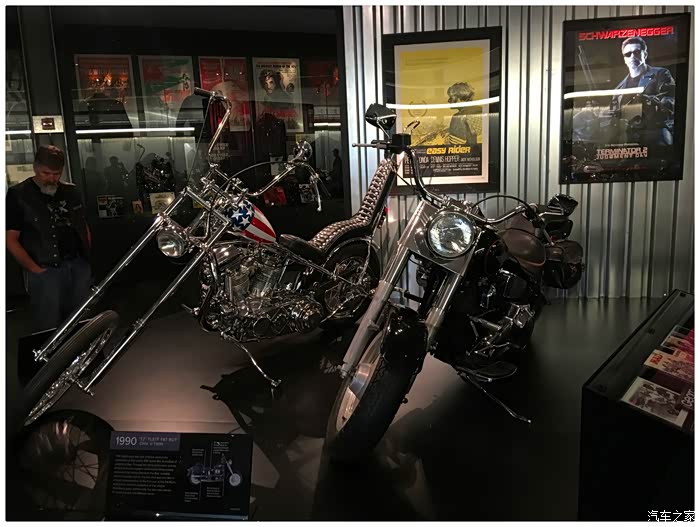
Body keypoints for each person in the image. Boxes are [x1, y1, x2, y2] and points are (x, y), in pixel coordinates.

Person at [6, 145, 93, 332]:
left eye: (56, 174)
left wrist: (85, 258)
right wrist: (35, 269)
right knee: (48, 325)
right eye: (46, 173)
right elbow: (10, 239)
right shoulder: (19, 195)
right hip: (44, 267)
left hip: (76, 264)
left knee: (80, 321)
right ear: (35, 167)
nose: (52, 178)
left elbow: (82, 224)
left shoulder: (71, 191)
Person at [610, 36, 675, 145]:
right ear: (624, 59)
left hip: (655, 133)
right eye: (628, 54)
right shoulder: (619, 89)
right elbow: (614, 115)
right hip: (629, 137)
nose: (632, 56)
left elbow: (671, 100)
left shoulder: (660, 74)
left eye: (636, 52)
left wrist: (650, 102)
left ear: (645, 54)